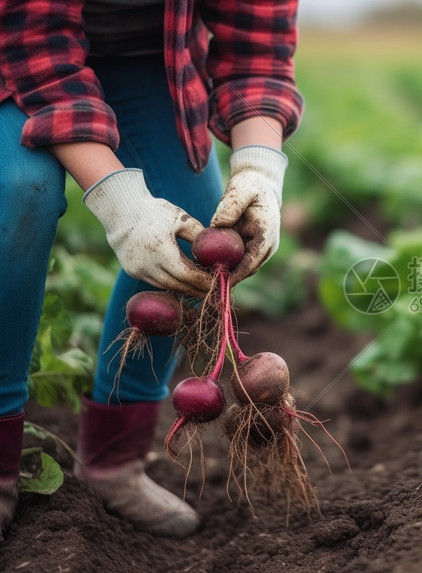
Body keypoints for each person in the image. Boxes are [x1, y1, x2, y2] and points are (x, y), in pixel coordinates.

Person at [0, 0, 303, 540]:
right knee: (23, 192)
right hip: (18, 51)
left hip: (149, 59)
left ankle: (114, 461)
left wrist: (260, 168)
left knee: (197, 227)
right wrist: (116, 197)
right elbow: (33, 38)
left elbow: (260, 43)